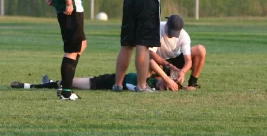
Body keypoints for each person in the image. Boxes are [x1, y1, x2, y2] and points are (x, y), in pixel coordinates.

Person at [11, 59, 180, 92]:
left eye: (168, 87)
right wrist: (168, 77)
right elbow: (150, 62)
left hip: (110, 84)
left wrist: (174, 83)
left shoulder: (153, 90)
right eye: (167, 84)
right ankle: (38, 85)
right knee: (70, 82)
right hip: (112, 79)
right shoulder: (151, 77)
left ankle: (33, 85)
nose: (166, 86)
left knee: (70, 83)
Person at [149, 15, 206, 89]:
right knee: (149, 61)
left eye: (175, 33)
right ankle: (157, 80)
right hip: (160, 63)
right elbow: (151, 53)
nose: (171, 35)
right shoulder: (157, 29)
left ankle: (192, 83)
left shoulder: (184, 35)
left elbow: (188, 60)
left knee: (200, 50)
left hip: (176, 60)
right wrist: (168, 65)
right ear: (166, 24)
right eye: (170, 32)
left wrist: (182, 72)